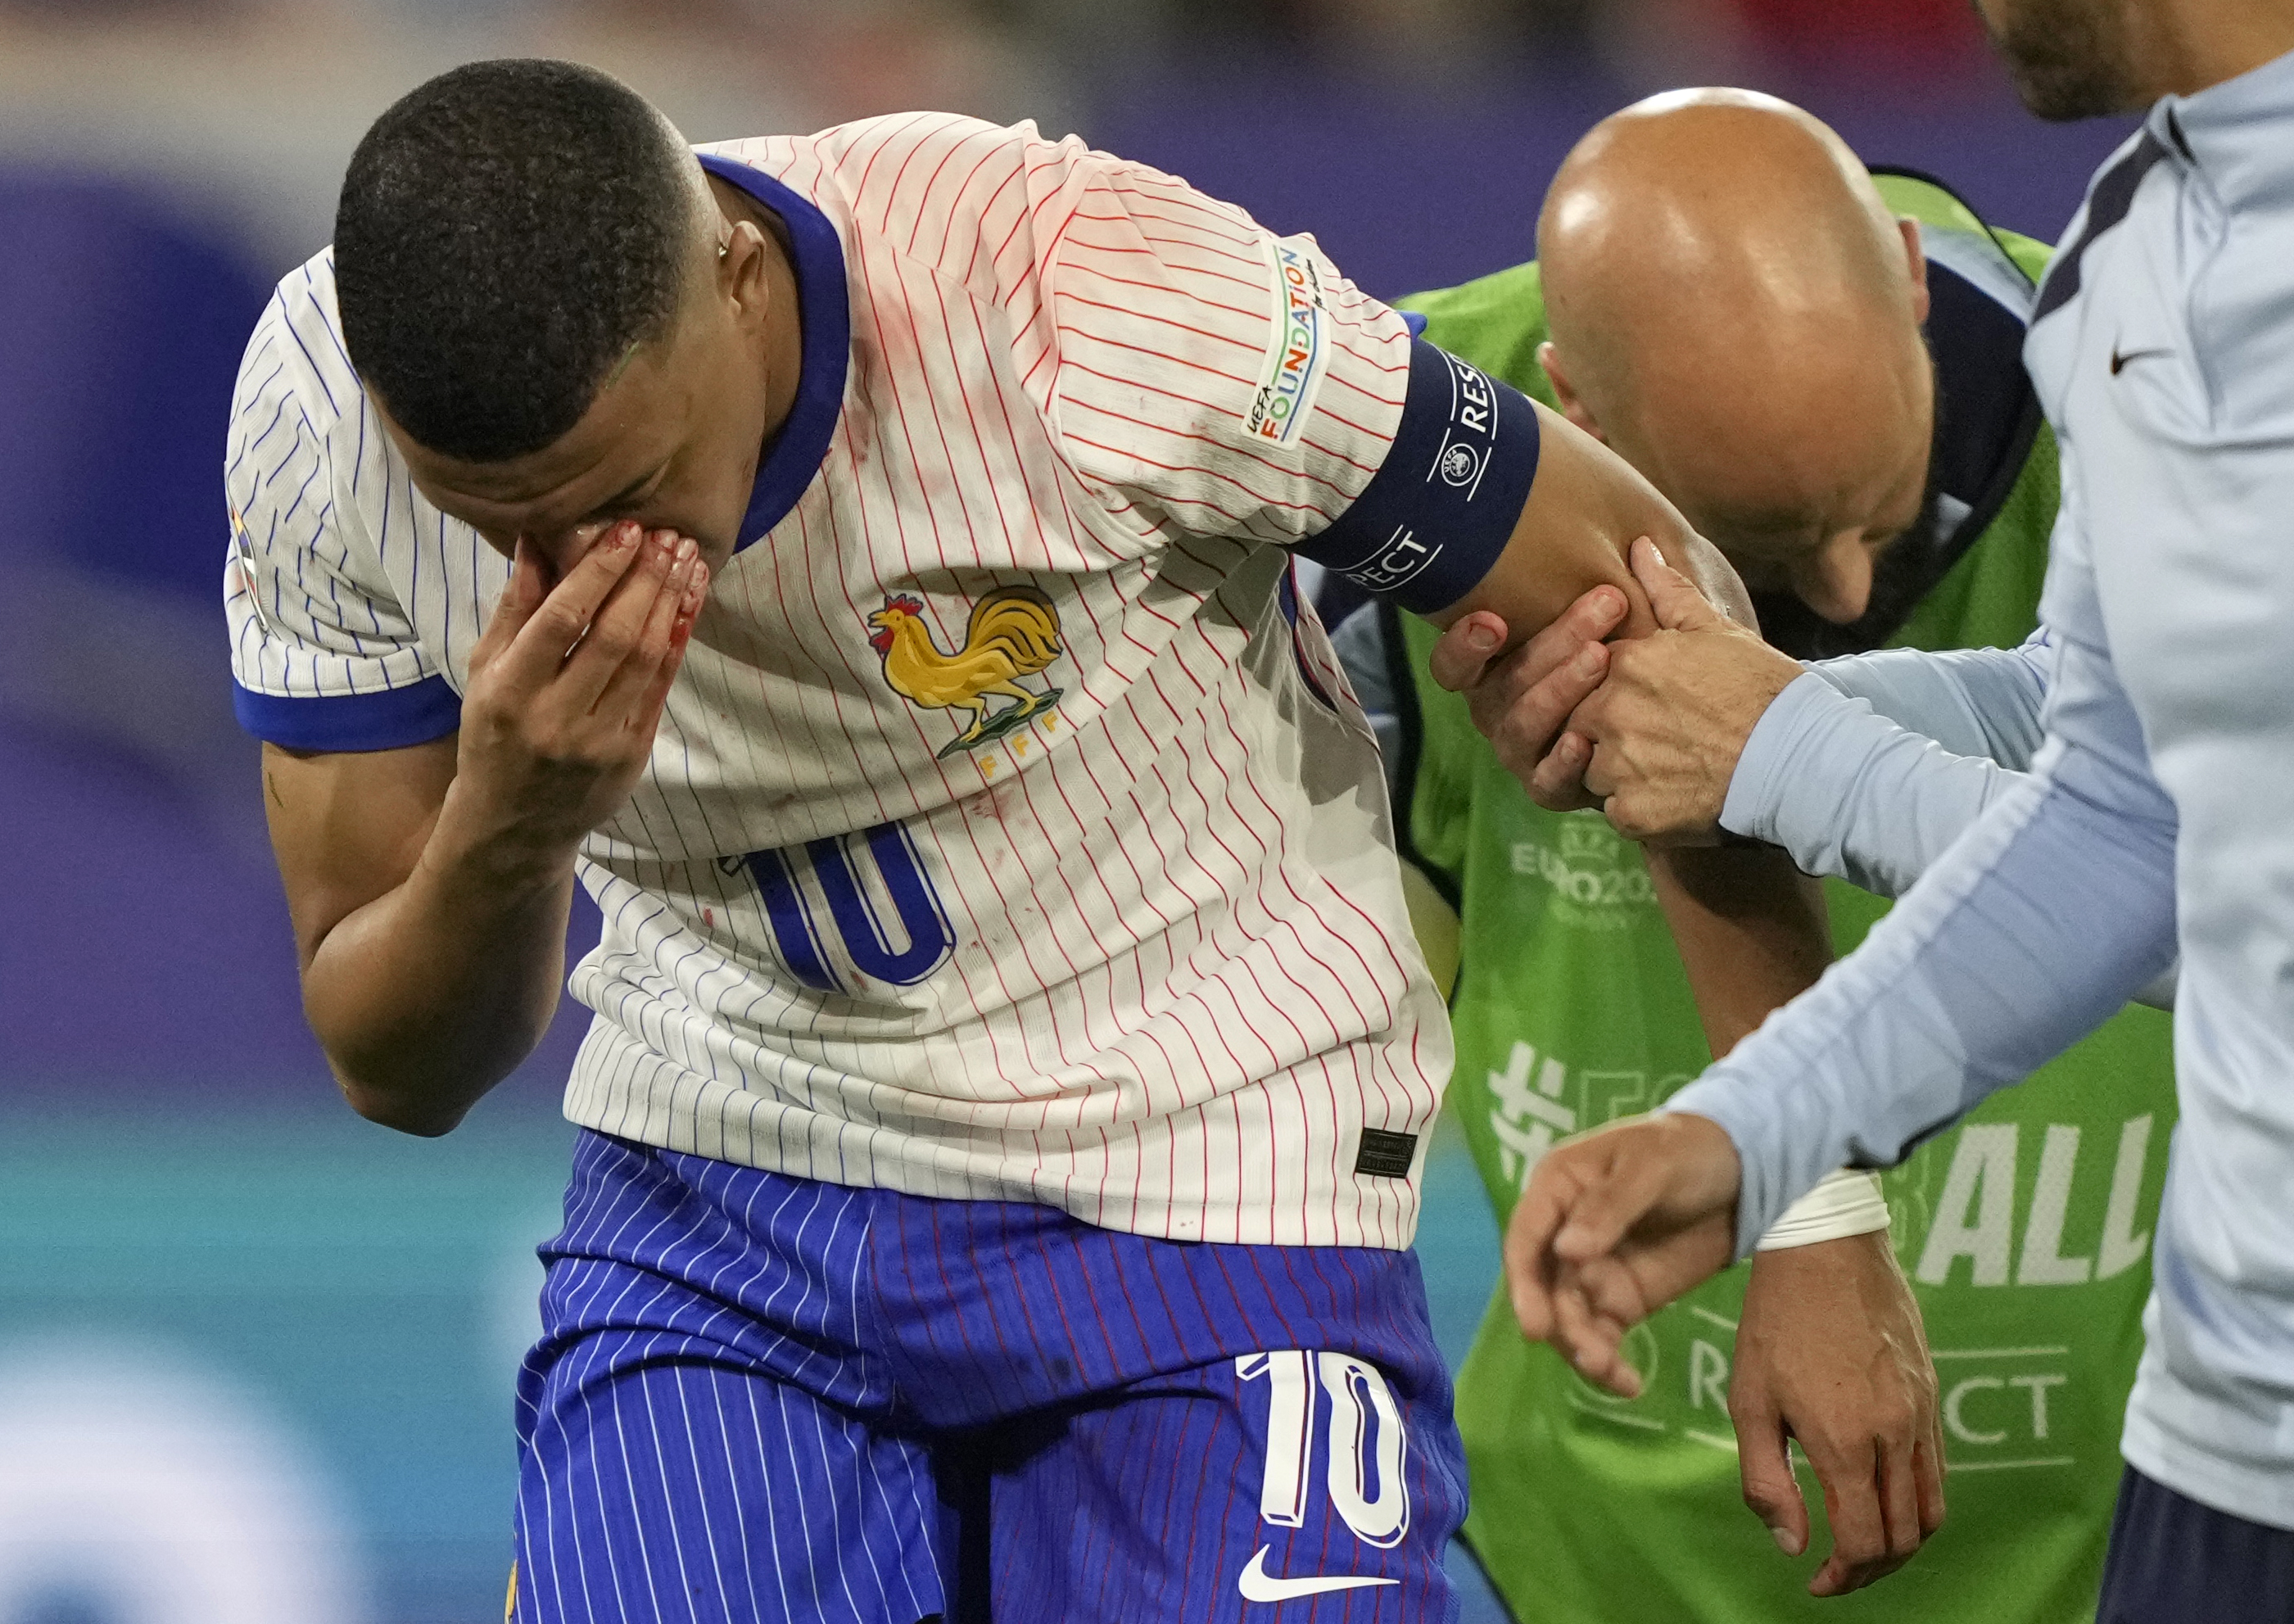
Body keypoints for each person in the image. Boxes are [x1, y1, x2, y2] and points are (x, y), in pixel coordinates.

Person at [219, 59, 1835, 1622]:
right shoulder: (314, 422)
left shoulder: (1086, 293)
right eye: (496, 518)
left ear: (732, 268)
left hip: (1205, 1174)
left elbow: (1652, 594)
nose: (571, 559)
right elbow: (398, 1068)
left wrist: (1810, 1205)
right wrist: (512, 827)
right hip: (724, 1195)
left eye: (626, 483)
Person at [1335, 89, 2176, 1621]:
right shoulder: (1389, 483)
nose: (1849, 589)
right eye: (1775, 550)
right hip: (1579, 1576)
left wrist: (1769, 730)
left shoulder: (2173, 433)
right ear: (1574, 406)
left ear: (1909, 277)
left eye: (1871, 512)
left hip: (2116, 1573)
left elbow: (2203, 878)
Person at [1499, 6, 2294, 1620]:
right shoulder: (2143, 244)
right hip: (2222, 1437)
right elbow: (2119, 780)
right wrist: (1755, 1134)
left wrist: (1786, 742)